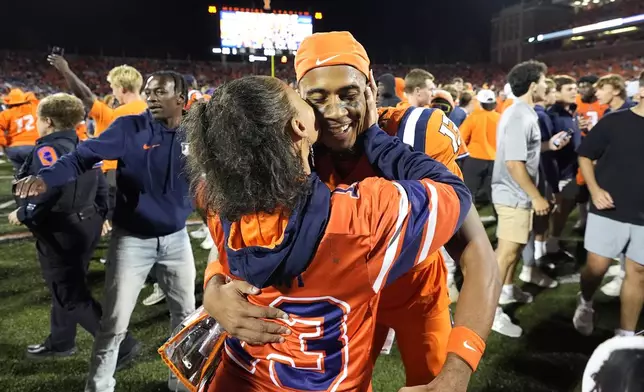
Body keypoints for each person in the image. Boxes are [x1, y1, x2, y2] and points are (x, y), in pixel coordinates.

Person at [203, 31, 500, 390]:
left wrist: (460, 367)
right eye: (317, 98)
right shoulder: (289, 143)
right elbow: (240, 222)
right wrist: (213, 288)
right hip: (340, 306)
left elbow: (475, 249)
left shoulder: (417, 134)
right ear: (297, 101)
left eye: (348, 94)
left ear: (371, 88)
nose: (335, 111)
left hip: (413, 290)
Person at [14, 71, 196, 392]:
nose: (150, 98)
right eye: (149, 92)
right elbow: (82, 156)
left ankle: (179, 383)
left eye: (159, 93)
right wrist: (47, 176)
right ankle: (98, 386)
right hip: (132, 240)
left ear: (180, 100)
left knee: (184, 317)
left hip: (177, 238)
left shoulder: (197, 132)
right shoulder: (130, 127)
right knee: (114, 321)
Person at [8, 93, 117, 359]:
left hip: (62, 228)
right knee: (67, 284)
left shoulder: (47, 149)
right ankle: (61, 341)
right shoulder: (85, 144)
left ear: (47, 121)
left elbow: (54, 187)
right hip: (87, 224)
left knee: (69, 292)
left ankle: (119, 345)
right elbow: (103, 187)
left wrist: (25, 212)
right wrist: (102, 215)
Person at [491, 61, 571, 337]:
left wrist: (550, 145)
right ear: (534, 85)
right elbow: (514, 163)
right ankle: (490, 312)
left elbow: (525, 152)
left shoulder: (524, 113)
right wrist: (536, 196)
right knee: (506, 253)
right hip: (513, 193)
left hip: (516, 193)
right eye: (545, 81)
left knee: (512, 251)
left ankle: (508, 291)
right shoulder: (519, 115)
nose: (549, 86)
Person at [573, 71, 644, 338]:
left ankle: (624, 335)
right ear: (641, 91)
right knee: (597, 267)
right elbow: (585, 155)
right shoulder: (614, 122)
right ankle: (586, 301)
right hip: (609, 209)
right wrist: (594, 189)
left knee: (638, 272)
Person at [459, 89, 500, 205]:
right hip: (495, 159)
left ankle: (469, 222)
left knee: (469, 192)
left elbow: (461, 138)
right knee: (495, 194)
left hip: (474, 158)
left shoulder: (473, 117)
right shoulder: (500, 118)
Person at [0, 88, 39, 171]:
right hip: (34, 146)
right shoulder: (35, 108)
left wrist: (4, 143)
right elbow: (34, 99)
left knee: (22, 175)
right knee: (39, 174)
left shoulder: (6, 113)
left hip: (14, 149)